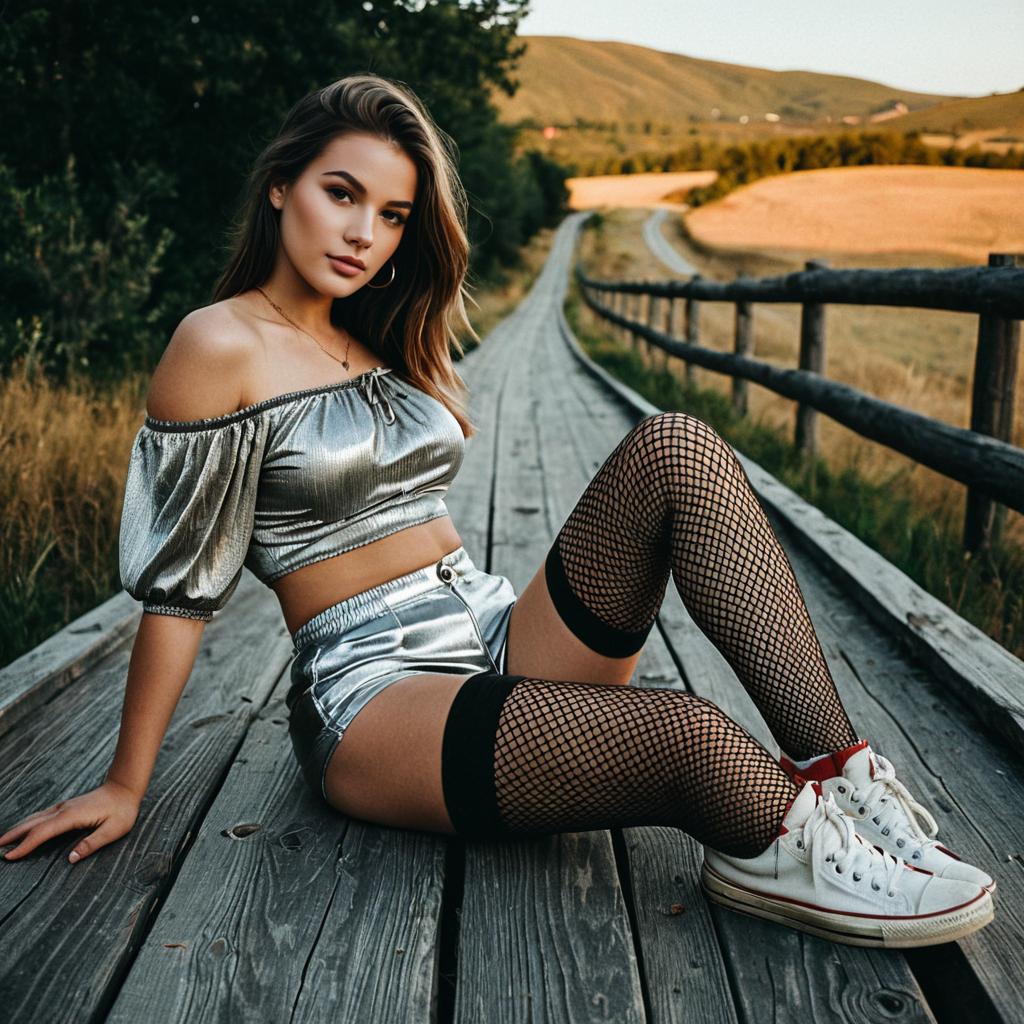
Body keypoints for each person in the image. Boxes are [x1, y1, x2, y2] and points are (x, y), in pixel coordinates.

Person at [0, 74, 996, 950]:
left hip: (492, 633)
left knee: (679, 447)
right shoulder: (218, 343)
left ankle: (845, 774)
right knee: (694, 739)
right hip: (378, 696)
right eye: (340, 194)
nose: (363, 233)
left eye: (392, 215)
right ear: (279, 184)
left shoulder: (376, 337)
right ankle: (783, 846)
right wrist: (128, 783)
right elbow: (182, 588)